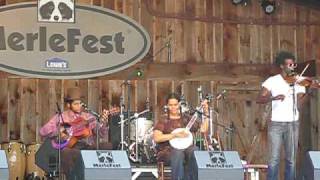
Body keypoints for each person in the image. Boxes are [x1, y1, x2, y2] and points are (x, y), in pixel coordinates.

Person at [256, 51, 308, 180]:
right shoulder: (272, 81)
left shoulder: (298, 81)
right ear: (282, 66)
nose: (292, 67)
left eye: (293, 64)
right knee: (274, 159)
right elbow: (259, 98)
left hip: (293, 123)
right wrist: (273, 98)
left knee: (291, 159)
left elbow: (300, 104)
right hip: (276, 124)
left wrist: (306, 90)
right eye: (289, 64)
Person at [39, 87, 110, 179]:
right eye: (76, 104)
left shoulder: (88, 116)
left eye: (80, 103)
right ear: (68, 105)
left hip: (87, 146)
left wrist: (103, 122)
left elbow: (100, 133)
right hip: (71, 148)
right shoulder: (61, 117)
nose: (79, 106)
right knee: (66, 153)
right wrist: (58, 131)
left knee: (108, 146)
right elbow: (42, 131)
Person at [153, 93, 209, 180]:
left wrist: (206, 113)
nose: (173, 107)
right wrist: (175, 135)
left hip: (186, 148)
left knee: (195, 150)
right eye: (170, 105)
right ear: (167, 106)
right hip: (168, 150)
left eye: (175, 104)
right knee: (178, 153)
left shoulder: (186, 118)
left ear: (179, 104)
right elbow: (157, 138)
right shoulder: (163, 120)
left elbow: (203, 129)